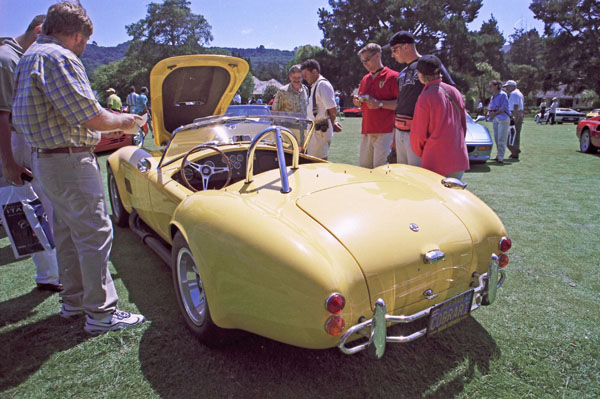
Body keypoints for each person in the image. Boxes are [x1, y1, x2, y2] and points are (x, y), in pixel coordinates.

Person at [12, 1, 145, 334]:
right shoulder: (59, 58)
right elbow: (91, 116)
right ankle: (101, 312)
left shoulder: (29, 56)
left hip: (45, 158)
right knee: (94, 232)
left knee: (68, 233)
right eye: (84, 41)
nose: (84, 48)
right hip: (69, 159)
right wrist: (127, 122)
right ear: (75, 36)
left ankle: (73, 302)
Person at [0, 14, 62, 292]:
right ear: (39, 31)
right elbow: (2, 117)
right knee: (32, 210)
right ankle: (50, 275)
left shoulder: (20, 58)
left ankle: (51, 274)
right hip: (17, 145)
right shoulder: (7, 60)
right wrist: (9, 162)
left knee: (39, 209)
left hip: (26, 142)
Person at [384, 31, 455, 166]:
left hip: (420, 132)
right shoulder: (402, 73)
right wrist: (394, 138)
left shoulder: (429, 65)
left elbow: (449, 92)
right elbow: (400, 105)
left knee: (417, 178)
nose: (392, 55)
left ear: (406, 47)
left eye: (394, 50)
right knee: (403, 177)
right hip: (400, 131)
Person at [410, 55, 468, 179]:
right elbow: (463, 124)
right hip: (458, 156)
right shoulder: (455, 92)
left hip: (434, 160)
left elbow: (418, 135)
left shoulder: (425, 97)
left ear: (420, 74)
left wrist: (422, 153)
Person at [352, 43, 398, 168]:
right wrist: (358, 102)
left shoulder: (393, 77)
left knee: (381, 171)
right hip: (367, 131)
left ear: (377, 56)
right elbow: (362, 104)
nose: (365, 64)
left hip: (385, 132)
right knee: (364, 170)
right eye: (362, 61)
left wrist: (380, 104)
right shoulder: (365, 79)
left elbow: (401, 104)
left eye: (367, 59)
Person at [301, 59, 342, 160]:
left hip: (320, 130)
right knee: (313, 160)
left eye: (306, 74)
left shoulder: (322, 85)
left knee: (318, 162)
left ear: (314, 72)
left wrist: (333, 122)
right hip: (315, 130)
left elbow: (332, 109)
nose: (304, 78)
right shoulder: (316, 85)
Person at [487, 79, 510, 163]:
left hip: (503, 118)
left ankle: (501, 156)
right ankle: (498, 154)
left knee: (501, 138)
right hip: (495, 118)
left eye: (491, 86)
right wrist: (490, 113)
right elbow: (490, 106)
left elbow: (503, 107)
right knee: (497, 137)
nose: (489, 88)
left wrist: (495, 113)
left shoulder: (503, 95)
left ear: (496, 86)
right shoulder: (493, 96)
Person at [504, 80, 524, 159]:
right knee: (516, 134)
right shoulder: (519, 93)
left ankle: (515, 150)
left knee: (509, 134)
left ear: (512, 86)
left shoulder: (514, 94)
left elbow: (515, 105)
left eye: (507, 87)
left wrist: (514, 117)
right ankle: (515, 152)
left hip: (514, 113)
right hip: (519, 113)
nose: (506, 89)